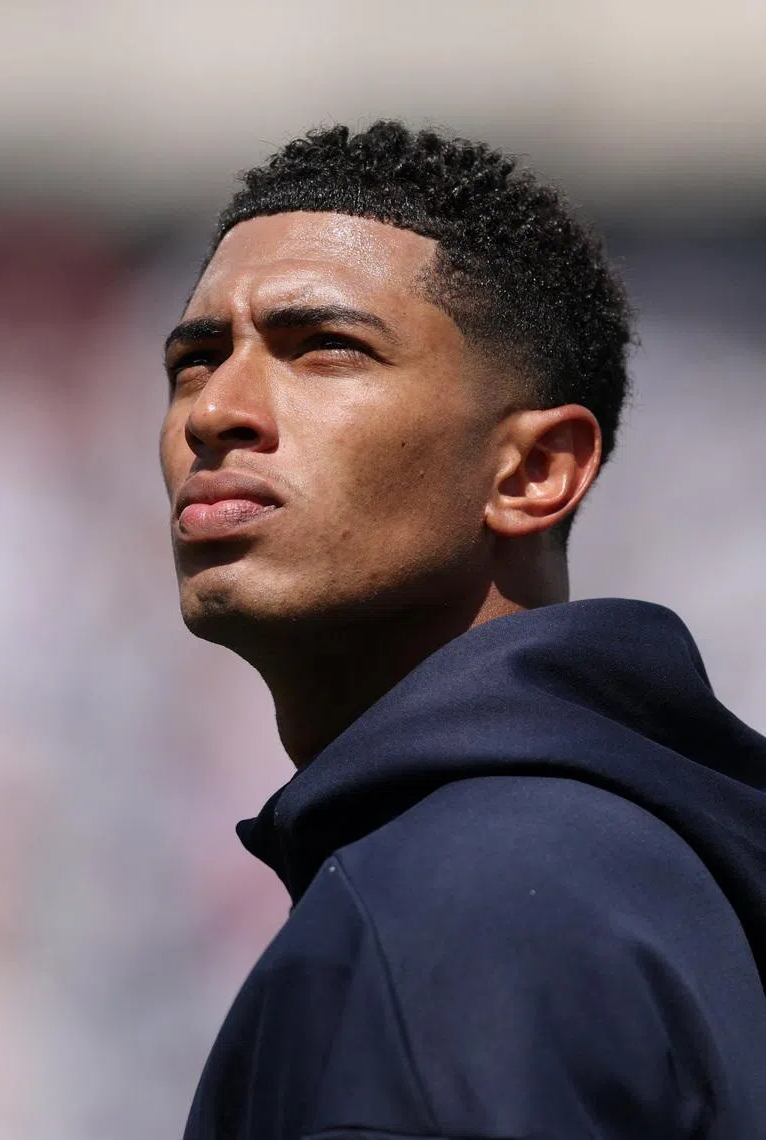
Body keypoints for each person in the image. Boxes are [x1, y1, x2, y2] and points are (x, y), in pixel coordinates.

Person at [159, 121, 766, 1139]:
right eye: (195, 358)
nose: (217, 410)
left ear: (534, 472)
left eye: (326, 348)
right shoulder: (626, 860)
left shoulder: (462, 910)